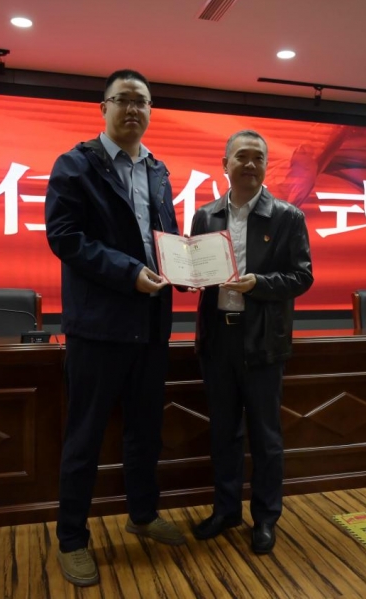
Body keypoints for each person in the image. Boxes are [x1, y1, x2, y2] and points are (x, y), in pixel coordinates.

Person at [44, 69, 185, 588]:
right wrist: (130, 274)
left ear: (150, 111)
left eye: (142, 101)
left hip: (152, 323)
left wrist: (184, 268)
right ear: (103, 107)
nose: (133, 109)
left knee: (146, 431)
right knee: (84, 437)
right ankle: (72, 539)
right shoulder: (76, 165)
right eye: (123, 99)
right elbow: (65, 238)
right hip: (99, 327)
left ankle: (142, 515)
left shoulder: (158, 170)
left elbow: (162, 237)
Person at [189, 130, 314, 554]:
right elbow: (195, 269)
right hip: (217, 338)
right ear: (224, 164)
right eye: (241, 156)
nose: (249, 164)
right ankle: (226, 511)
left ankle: (265, 518)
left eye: (258, 158)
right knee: (223, 433)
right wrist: (185, 276)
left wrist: (258, 283)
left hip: (262, 339)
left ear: (265, 166)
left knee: (265, 436)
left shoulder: (287, 217)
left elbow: (302, 277)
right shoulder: (205, 216)